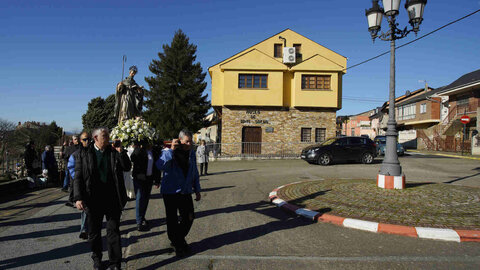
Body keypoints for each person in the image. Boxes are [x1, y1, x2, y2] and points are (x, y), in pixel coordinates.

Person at [74, 127, 131, 270]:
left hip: (112, 198)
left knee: (113, 231)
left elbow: (127, 167)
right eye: (105, 135)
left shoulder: (113, 152)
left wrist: (121, 151)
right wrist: (78, 198)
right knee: (94, 233)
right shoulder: (84, 153)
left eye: (107, 135)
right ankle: (97, 257)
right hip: (93, 199)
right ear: (95, 138)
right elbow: (78, 177)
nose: (108, 137)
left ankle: (115, 262)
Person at [155, 129, 201, 257]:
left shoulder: (191, 153)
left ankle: (177, 240)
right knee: (172, 219)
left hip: (185, 191)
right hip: (170, 192)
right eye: (186, 142)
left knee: (189, 217)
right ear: (179, 140)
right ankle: (178, 243)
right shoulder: (169, 151)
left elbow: (194, 172)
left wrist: (197, 189)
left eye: (190, 142)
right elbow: (160, 165)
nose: (189, 144)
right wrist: (171, 150)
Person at [129, 140, 161, 231]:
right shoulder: (139, 150)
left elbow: (156, 166)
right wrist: (138, 146)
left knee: (146, 199)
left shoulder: (153, 151)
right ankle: (139, 222)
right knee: (139, 198)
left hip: (149, 179)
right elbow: (133, 158)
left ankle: (142, 217)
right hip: (139, 178)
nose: (149, 143)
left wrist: (157, 180)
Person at [68, 131, 91, 239]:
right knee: (85, 209)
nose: (87, 142)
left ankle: (87, 229)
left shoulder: (93, 152)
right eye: (85, 140)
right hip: (81, 185)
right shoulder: (76, 154)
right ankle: (84, 229)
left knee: (90, 210)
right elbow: (71, 168)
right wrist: (78, 178)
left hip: (92, 186)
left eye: (89, 139)